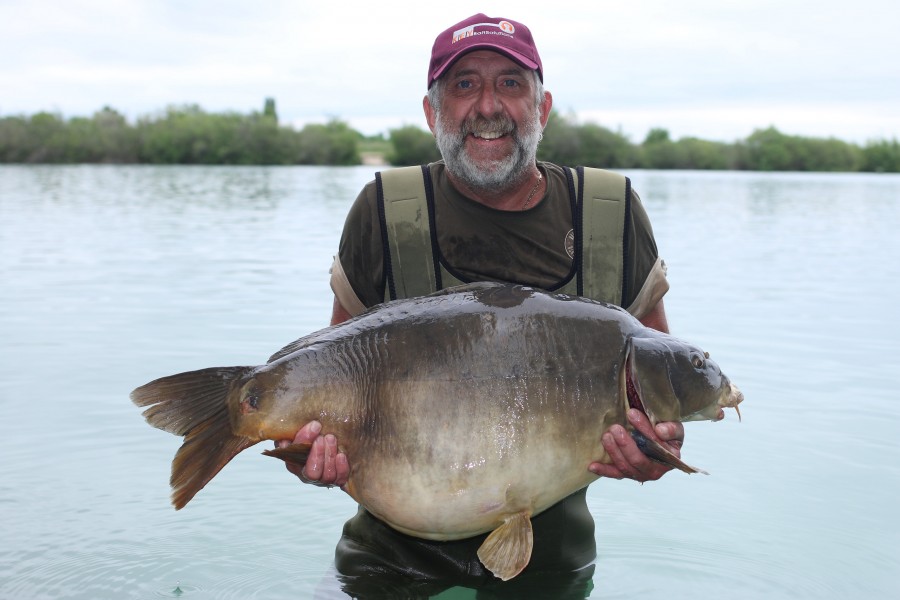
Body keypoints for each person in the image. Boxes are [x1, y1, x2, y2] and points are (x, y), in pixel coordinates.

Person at [279, 13, 689, 595]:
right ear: (432, 113)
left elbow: (660, 383)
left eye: (511, 84)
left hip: (553, 559)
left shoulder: (610, 213)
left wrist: (660, 450)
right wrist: (310, 453)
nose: (488, 106)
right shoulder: (384, 212)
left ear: (543, 109)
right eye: (464, 85)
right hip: (388, 556)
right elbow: (335, 377)